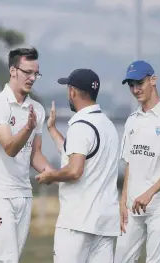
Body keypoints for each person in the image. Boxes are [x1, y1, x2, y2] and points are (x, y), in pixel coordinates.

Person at [36, 69, 120, 263]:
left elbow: (75, 170)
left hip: (78, 221)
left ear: (73, 92)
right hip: (105, 222)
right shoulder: (106, 125)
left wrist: (52, 176)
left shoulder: (80, 125)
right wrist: (52, 130)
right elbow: (76, 152)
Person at [0, 47, 53, 262]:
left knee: (11, 258)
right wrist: (27, 129)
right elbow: (10, 148)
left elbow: (35, 155)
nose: (32, 78)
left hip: (23, 193)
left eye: (35, 73)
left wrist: (56, 175)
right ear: (13, 70)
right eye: (27, 72)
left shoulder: (36, 109)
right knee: (6, 258)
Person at [114, 60, 160, 263]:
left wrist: (149, 194)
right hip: (133, 207)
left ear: (153, 80)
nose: (135, 89)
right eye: (131, 85)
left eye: (139, 83)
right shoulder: (132, 121)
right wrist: (123, 201)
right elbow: (130, 163)